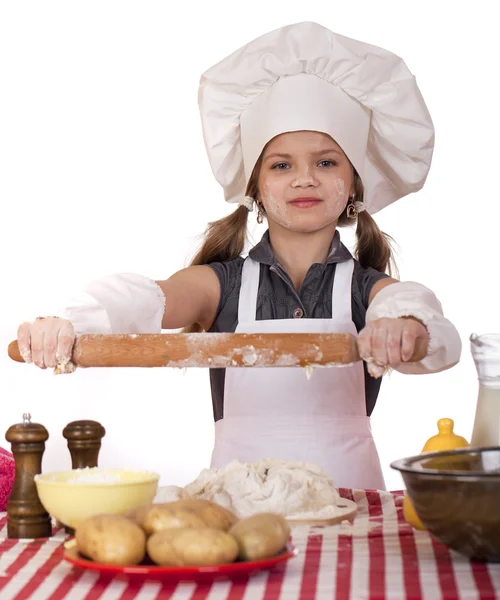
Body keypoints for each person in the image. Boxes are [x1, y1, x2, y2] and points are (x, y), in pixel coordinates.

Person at [16, 22, 461, 490]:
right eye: (281, 164)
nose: (304, 178)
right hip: (237, 508)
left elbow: (427, 326)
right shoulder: (220, 285)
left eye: (326, 162)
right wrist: (71, 321)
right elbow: (149, 297)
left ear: (352, 184)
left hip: (350, 509)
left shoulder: (367, 291)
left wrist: (403, 325)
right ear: (256, 188)